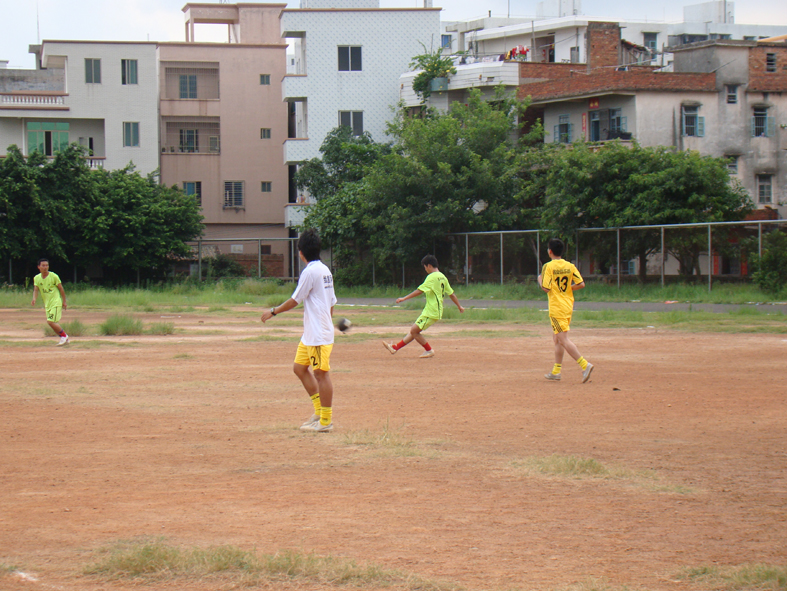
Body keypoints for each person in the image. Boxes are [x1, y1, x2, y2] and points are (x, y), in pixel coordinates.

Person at [260, 229, 337, 432]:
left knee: (321, 374)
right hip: (312, 334)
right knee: (299, 368)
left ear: (301, 252)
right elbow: (331, 302)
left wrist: (273, 311)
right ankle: (319, 412)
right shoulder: (325, 270)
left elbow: (295, 300)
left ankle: (326, 421)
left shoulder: (310, 272)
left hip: (318, 334)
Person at [383, 254, 464, 358]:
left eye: (425, 267)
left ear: (429, 265)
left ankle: (429, 350)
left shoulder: (432, 277)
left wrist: (404, 298)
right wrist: (459, 306)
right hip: (434, 310)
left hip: (431, 311)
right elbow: (451, 294)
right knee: (414, 331)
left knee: (414, 331)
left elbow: (419, 291)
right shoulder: (443, 277)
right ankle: (395, 348)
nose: (425, 269)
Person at [538, 238, 593, 383]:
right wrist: (568, 288)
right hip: (568, 305)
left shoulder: (548, 266)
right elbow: (581, 284)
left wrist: (539, 279)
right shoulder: (569, 266)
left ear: (550, 251)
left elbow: (546, 288)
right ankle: (556, 371)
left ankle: (585, 365)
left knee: (563, 339)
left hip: (557, 307)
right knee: (557, 338)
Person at [31, 258, 70, 346]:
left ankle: (64, 336)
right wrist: (34, 298)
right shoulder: (37, 278)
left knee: (50, 322)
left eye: (47, 265)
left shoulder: (54, 276)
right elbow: (36, 289)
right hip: (47, 304)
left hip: (55, 302)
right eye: (43, 265)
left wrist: (64, 301)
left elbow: (61, 289)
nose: (45, 267)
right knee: (51, 323)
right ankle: (64, 338)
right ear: (38, 267)